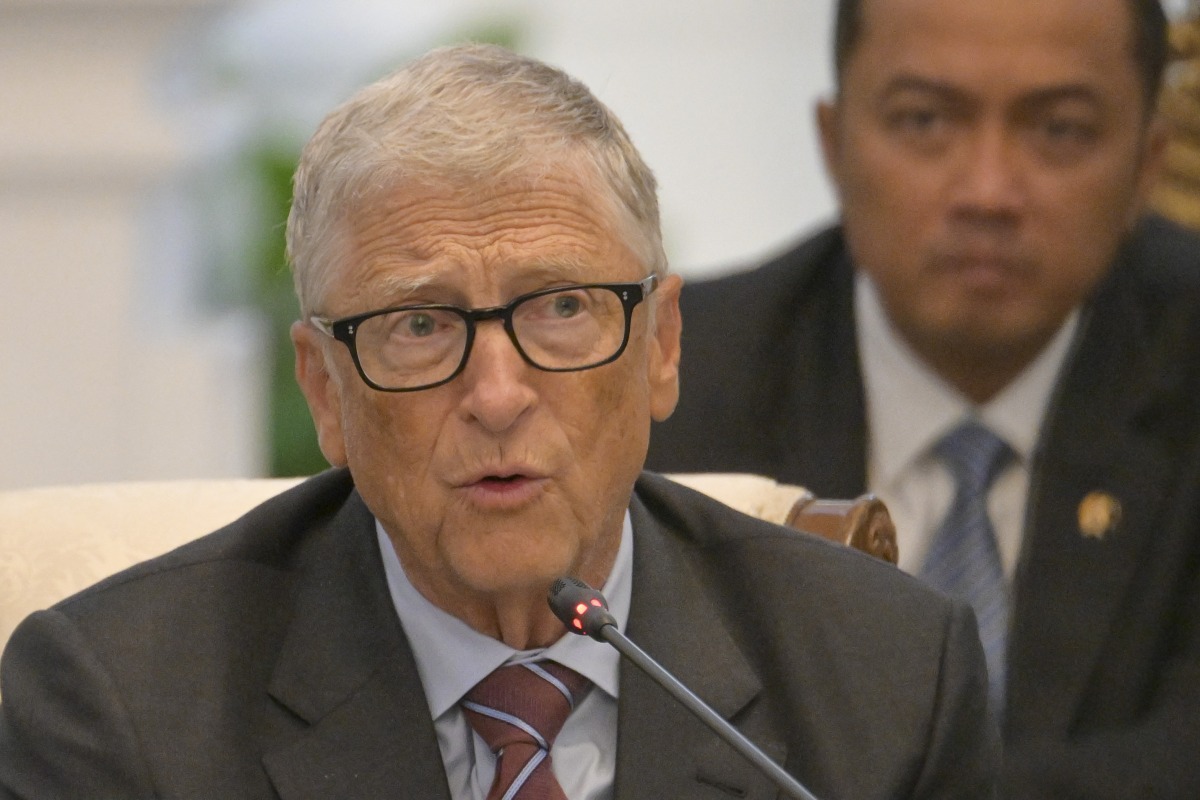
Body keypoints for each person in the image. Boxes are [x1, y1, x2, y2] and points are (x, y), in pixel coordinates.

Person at [0, 43, 997, 798]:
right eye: (420, 324)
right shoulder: (122, 705)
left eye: (561, 307)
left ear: (660, 345)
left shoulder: (889, 674)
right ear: (323, 389)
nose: (497, 392)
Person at [646, 0, 1200, 797]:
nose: (987, 191)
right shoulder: (670, 390)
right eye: (925, 120)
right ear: (835, 144)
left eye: (1061, 131)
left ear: (1148, 163)